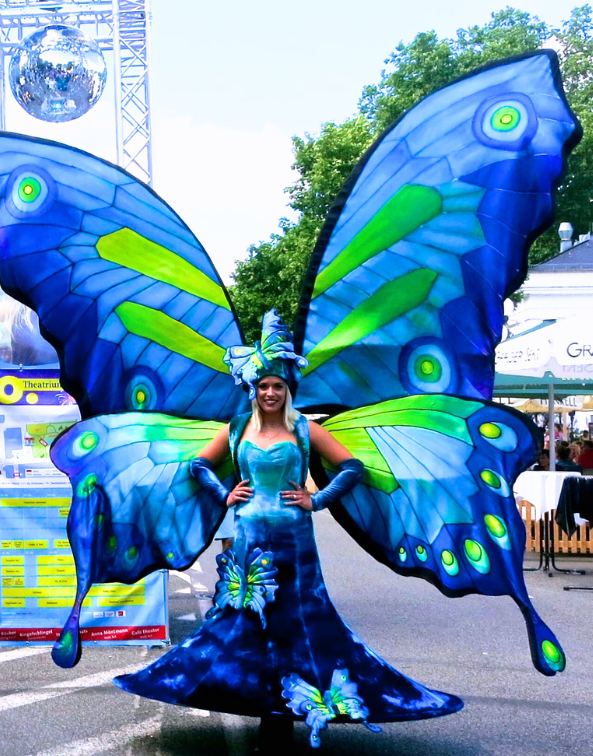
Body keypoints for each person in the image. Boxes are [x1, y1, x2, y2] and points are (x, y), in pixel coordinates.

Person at [114, 315, 461, 749]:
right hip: (248, 542)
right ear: (253, 389)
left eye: (277, 385)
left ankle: (284, 715)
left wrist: (317, 499)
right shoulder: (237, 428)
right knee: (245, 625)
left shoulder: (304, 428)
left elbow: (352, 467)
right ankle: (256, 702)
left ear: (287, 389)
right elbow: (199, 465)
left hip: (294, 543)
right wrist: (224, 493)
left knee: (296, 624)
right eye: (263, 386)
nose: (270, 393)